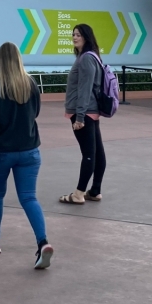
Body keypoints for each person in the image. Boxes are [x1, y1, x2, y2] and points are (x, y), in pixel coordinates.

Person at [0, 42, 53, 268]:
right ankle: (42, 242)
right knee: (29, 197)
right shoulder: (30, 84)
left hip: (0, 150)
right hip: (29, 150)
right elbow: (36, 112)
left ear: (1, 61)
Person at [60, 24, 106, 205]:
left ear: (86, 36)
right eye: (73, 34)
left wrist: (79, 117)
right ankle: (95, 191)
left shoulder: (86, 59)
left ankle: (78, 194)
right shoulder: (92, 56)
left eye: (78, 34)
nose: (74, 37)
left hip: (84, 112)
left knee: (88, 154)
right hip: (91, 111)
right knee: (97, 153)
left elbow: (85, 89)